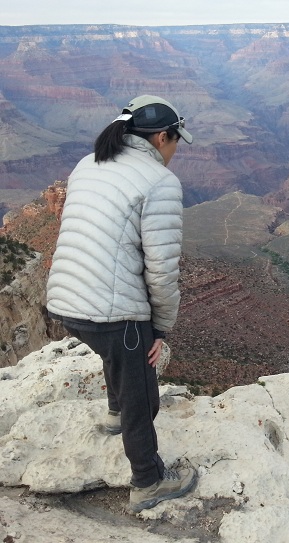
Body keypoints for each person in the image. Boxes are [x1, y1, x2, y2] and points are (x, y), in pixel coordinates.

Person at [46, 95, 196, 513]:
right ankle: (148, 481)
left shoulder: (87, 162)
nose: (175, 151)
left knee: (117, 352)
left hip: (64, 300)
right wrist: (160, 330)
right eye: (175, 142)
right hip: (110, 309)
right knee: (142, 392)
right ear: (162, 137)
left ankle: (113, 414)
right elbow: (162, 270)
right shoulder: (159, 182)